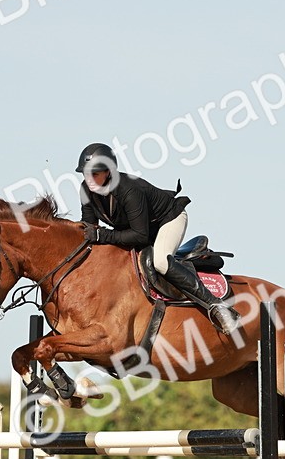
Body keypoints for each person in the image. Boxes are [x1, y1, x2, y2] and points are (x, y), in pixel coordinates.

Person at [75, 142, 239, 334]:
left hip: (168, 220)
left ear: (109, 171)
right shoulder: (86, 191)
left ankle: (218, 307)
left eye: (94, 174)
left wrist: (103, 235)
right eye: (85, 174)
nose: (89, 179)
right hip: (140, 228)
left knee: (160, 261)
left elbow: (140, 235)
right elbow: (89, 226)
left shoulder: (128, 190)